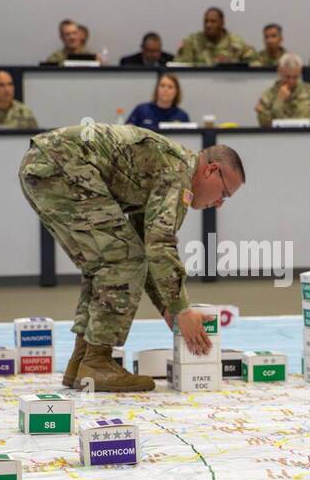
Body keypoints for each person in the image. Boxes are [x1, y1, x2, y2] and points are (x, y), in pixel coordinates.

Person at [19, 123, 245, 391]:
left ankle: (82, 362)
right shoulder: (179, 172)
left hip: (47, 163)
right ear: (211, 170)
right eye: (224, 194)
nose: (219, 204)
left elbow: (146, 250)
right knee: (122, 258)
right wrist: (182, 309)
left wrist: (167, 308)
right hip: (61, 164)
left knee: (108, 262)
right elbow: (159, 245)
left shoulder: (164, 169)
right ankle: (97, 362)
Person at [254, 54, 310, 126]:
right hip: (279, 140)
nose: (291, 81)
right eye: (287, 77)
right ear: (279, 72)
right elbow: (265, 126)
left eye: (295, 77)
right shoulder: (268, 95)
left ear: (300, 72)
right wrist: (279, 101)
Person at [176, 7, 256, 65]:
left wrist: (230, 64)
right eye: (206, 21)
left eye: (213, 21)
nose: (208, 25)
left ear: (222, 23)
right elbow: (181, 65)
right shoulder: (193, 41)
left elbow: (254, 63)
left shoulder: (235, 42)